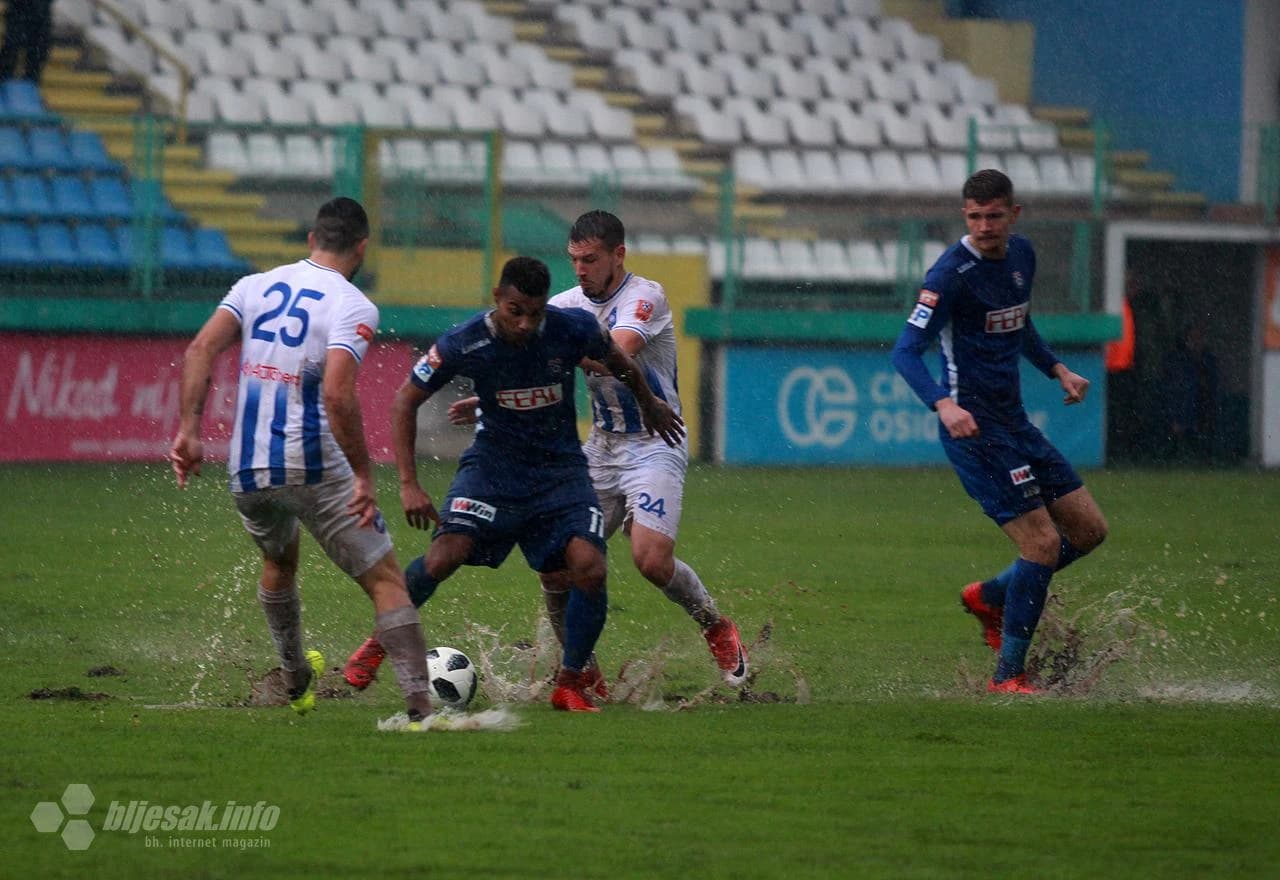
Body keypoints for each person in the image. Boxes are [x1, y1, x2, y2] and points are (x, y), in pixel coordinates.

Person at [341, 256, 684, 712]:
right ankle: (378, 643)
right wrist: (409, 483)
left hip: (558, 472)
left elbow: (621, 362)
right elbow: (405, 401)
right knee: (445, 557)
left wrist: (651, 404)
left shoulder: (572, 328)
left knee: (590, 567)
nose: (525, 323)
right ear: (497, 299)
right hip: (492, 470)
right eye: (515, 311)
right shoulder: (464, 341)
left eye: (535, 313)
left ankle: (569, 683)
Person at [448, 211, 748, 693]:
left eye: (591, 259)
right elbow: (531, 365)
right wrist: (491, 397)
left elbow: (617, 352)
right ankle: (580, 668)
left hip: (655, 443)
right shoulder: (565, 305)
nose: (581, 269)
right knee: (556, 565)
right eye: (574, 260)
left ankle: (715, 625)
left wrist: (552, 346)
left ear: (618, 255)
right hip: (598, 449)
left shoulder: (644, 296)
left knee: (651, 561)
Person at [169, 197, 435, 727]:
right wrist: (363, 474)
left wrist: (189, 431)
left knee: (279, 562)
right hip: (311, 462)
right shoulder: (353, 303)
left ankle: (293, 677)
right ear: (362, 247)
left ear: (312, 238)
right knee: (385, 580)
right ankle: (420, 708)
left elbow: (200, 350)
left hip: (247, 468)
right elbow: (337, 394)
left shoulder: (253, 286)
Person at [890, 169, 1109, 694]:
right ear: (964, 216)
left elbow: (1018, 322)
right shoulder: (949, 275)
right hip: (975, 431)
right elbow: (904, 351)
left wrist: (1056, 368)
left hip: (1015, 422)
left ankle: (991, 595)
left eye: (993, 215)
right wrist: (944, 405)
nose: (984, 226)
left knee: (1088, 531)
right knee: (1041, 544)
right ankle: (1008, 675)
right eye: (974, 216)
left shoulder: (1022, 256)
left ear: (1014, 214)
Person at [1159, 321, 1219, 462]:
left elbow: (1212, 381)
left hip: (1202, 403)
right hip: (1182, 403)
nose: (1196, 341)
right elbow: (1174, 386)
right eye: (1193, 337)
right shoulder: (1177, 358)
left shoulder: (1208, 358)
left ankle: (1203, 457)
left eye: (1199, 337)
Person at [0, 0, 55, 83]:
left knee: (37, 50)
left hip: (39, 13)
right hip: (18, 11)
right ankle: (5, 78)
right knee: (11, 48)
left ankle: (31, 80)